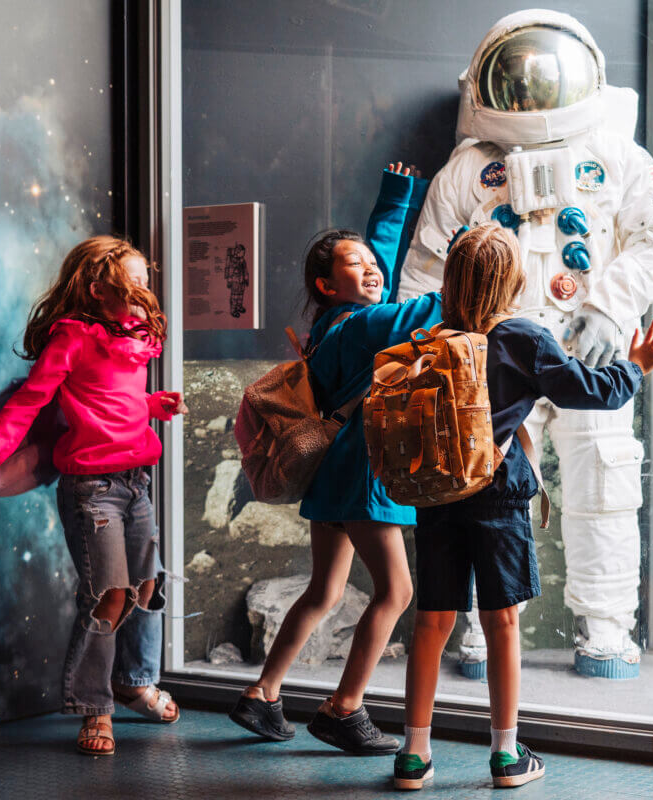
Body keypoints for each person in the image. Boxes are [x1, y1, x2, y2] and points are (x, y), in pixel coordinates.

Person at [396, 9, 653, 679]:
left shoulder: (616, 155)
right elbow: (424, 269)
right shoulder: (467, 169)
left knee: (603, 483)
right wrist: (441, 353)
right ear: (488, 84)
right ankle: (477, 631)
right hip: (492, 360)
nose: (531, 96)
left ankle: (606, 630)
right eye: (517, 83)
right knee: (476, 483)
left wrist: (610, 310)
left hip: (589, 348)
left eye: (543, 80)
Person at [392, 225, 653, 790]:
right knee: (501, 621)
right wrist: (636, 366)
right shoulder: (522, 336)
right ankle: (504, 755)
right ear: (516, 280)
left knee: (431, 622)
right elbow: (591, 392)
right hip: (496, 495)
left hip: (438, 494)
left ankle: (413, 755)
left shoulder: (431, 336)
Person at [0, 236, 188, 757]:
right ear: (99, 290)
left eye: (147, 281)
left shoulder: (136, 337)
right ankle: (94, 707)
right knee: (109, 595)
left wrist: (152, 405)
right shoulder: (72, 339)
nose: (145, 291)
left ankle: (134, 680)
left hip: (136, 480)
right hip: (92, 490)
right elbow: (28, 406)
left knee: (147, 587)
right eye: (134, 283)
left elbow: (112, 400)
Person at [229, 163, 436, 755]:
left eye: (372, 262)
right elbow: (424, 310)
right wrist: (482, 276)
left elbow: (386, 264)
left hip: (331, 480)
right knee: (395, 593)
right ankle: (343, 708)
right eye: (356, 264)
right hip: (363, 477)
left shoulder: (337, 325)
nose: (372, 268)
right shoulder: (363, 328)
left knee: (323, 591)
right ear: (326, 284)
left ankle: (263, 694)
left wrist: (396, 199)